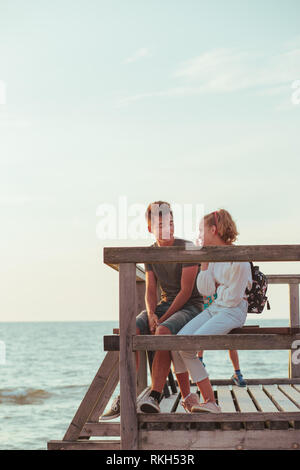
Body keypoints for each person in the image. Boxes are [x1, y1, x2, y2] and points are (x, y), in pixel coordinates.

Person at [100, 201, 204, 419]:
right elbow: (150, 289)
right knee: (131, 330)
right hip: (165, 306)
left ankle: (154, 396)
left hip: (190, 306)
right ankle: (125, 395)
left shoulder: (188, 248)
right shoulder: (150, 253)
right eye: (162, 225)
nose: (168, 228)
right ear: (151, 229)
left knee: (162, 332)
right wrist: (151, 313)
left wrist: (161, 319)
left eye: (171, 223)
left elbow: (186, 292)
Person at [170, 209, 252, 413]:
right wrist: (205, 264)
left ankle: (210, 402)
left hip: (233, 311)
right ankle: (190, 397)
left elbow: (233, 298)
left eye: (201, 230)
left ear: (213, 230)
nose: (198, 234)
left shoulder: (239, 258)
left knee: (190, 346)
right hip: (217, 307)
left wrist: (219, 289)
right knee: (177, 342)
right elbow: (205, 290)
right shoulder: (213, 258)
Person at [198, 293, 247, 387]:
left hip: (212, 308)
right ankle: (238, 373)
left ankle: (199, 363)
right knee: (231, 341)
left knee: (202, 334)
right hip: (226, 310)